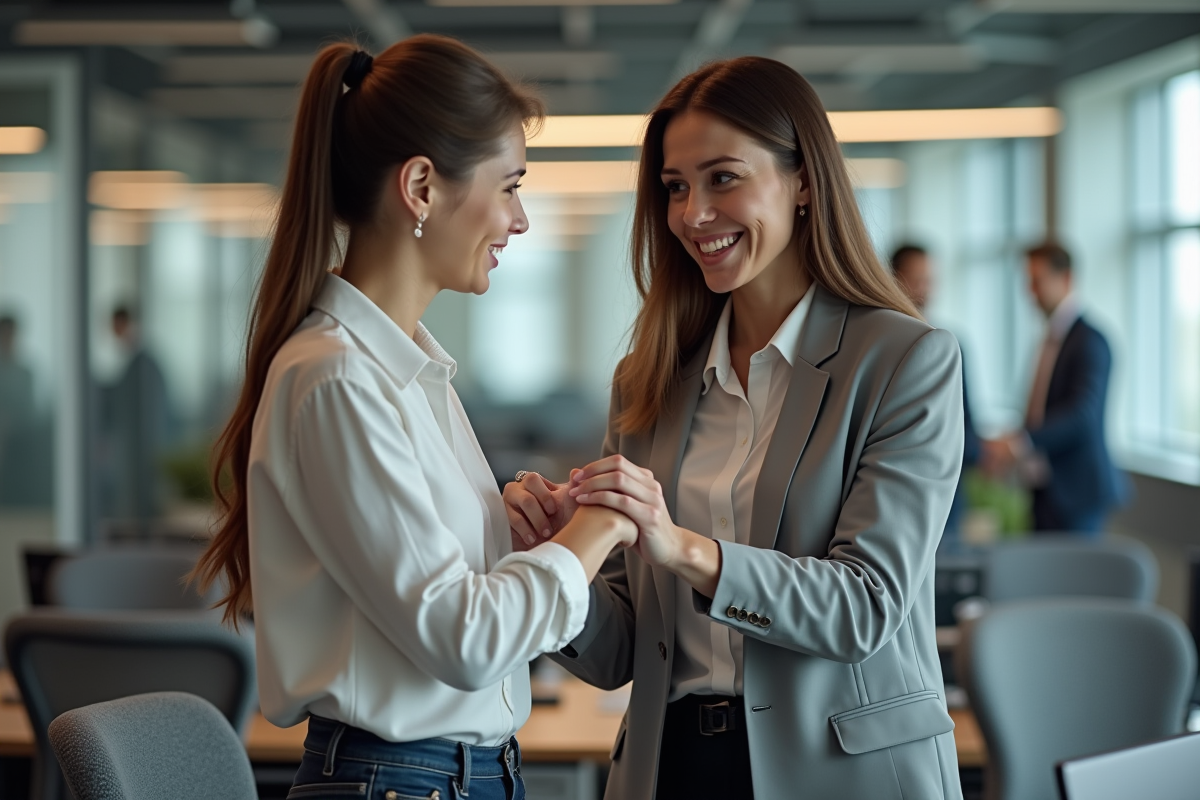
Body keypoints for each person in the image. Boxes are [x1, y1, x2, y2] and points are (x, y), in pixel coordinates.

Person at [191, 37, 637, 800]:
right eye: (508, 186)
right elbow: (460, 639)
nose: (519, 219)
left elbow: (429, 598)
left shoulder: (403, 373)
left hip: (449, 776)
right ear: (422, 187)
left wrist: (521, 536)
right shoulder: (336, 378)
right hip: (400, 780)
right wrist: (597, 531)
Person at [506, 58, 964, 799]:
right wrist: (560, 562)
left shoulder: (904, 361)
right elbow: (619, 649)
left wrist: (681, 546)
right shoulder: (649, 379)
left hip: (843, 773)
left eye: (724, 178)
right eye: (675, 187)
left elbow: (866, 605)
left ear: (804, 180)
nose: (692, 214)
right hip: (675, 765)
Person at [982, 243, 1126, 535]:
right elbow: (1040, 409)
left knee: (1076, 580)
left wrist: (1018, 443)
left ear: (1067, 279)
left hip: (1076, 491)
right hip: (1043, 487)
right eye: (1028, 281)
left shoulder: (1090, 341)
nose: (1030, 291)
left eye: (1038, 281)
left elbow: (1082, 416)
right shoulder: (1049, 339)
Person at [890, 243, 981, 540]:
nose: (924, 289)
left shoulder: (953, 344)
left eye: (929, 280)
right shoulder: (880, 347)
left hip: (948, 498)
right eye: (916, 279)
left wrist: (984, 451)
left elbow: (966, 423)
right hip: (895, 496)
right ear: (894, 280)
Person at [101, 306, 171, 524]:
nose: (114, 333)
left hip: (141, 449)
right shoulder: (137, 364)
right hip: (134, 449)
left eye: (116, 327)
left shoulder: (143, 365)